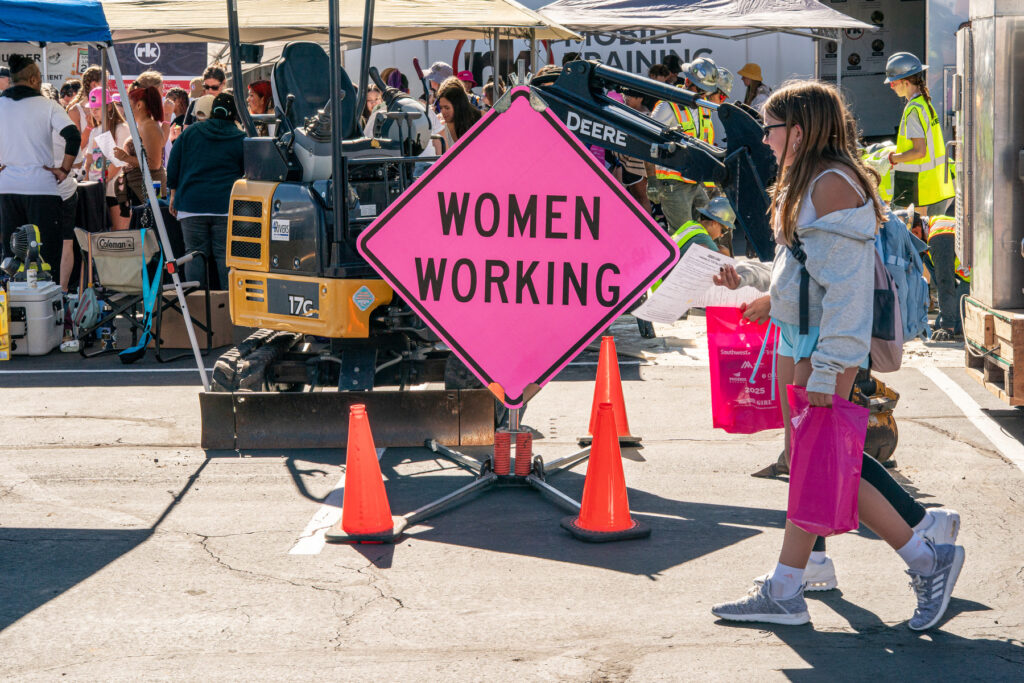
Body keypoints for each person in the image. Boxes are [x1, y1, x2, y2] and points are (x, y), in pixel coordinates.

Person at [710, 80, 964, 630]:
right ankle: (799, 581)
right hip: (808, 341)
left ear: (797, 131)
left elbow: (847, 296)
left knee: (824, 465)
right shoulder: (812, 181)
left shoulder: (828, 184)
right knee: (819, 467)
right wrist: (757, 283)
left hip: (823, 348)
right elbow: (803, 270)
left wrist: (828, 369)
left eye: (771, 128)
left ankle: (923, 556)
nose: (766, 139)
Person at [0, 54, 81, 275]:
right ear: (35, 79)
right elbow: (73, 136)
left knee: (11, 257)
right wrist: (64, 169)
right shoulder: (48, 106)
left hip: (7, 189)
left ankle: (15, 306)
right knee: (46, 257)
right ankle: (47, 304)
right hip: (41, 189)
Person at [167, 92, 245, 290]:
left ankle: (197, 306)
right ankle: (228, 306)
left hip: (191, 205)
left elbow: (173, 164)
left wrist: (174, 195)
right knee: (224, 256)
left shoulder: (191, 132)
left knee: (193, 254)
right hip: (226, 206)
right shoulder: (241, 137)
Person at [644, 58, 717, 231]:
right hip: (673, 183)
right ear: (687, 81)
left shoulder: (704, 108)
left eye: (706, 91)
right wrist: (652, 180)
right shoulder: (667, 107)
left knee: (710, 227)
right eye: (700, 89)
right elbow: (648, 141)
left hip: (696, 180)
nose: (703, 94)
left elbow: (706, 143)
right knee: (683, 233)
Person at [884, 52, 955, 215]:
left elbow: (919, 151)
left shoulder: (913, 110)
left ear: (906, 82)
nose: (891, 87)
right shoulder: (924, 103)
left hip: (917, 186)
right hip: (933, 185)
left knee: (915, 237)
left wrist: (892, 158)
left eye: (893, 83)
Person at [909, 211, 968, 341]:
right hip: (970, 274)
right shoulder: (934, 223)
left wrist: (947, 327)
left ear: (916, 232)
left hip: (978, 281)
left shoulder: (938, 238)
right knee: (927, 257)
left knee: (951, 324)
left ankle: (952, 324)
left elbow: (945, 282)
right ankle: (949, 315)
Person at [80, 91, 131, 230]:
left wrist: (104, 180)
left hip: (116, 191)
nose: (93, 112)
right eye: (92, 108)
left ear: (109, 107)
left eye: (97, 108)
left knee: (118, 235)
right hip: (97, 191)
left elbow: (120, 161)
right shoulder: (95, 131)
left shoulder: (122, 129)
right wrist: (87, 181)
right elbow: (89, 160)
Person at [114, 86, 165, 209]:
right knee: (142, 226)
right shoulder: (143, 125)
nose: (126, 108)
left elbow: (154, 164)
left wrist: (126, 158)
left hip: (149, 189)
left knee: (149, 226)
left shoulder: (149, 126)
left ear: (139, 105)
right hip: (140, 188)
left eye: (129, 104)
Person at [432, 77, 481, 155]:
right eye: (441, 107)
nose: (443, 112)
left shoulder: (480, 119)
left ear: (458, 106)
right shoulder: (440, 125)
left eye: (447, 108)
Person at [67, 65, 101, 133]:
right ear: (94, 85)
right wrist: (89, 127)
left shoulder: (108, 106)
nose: (108, 88)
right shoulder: (74, 111)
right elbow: (77, 142)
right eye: (105, 83)